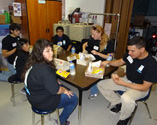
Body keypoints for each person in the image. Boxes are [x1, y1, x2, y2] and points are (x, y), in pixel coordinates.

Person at [97, 36, 157, 125]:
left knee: (127, 98)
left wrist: (123, 83)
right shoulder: (130, 55)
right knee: (101, 84)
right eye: (128, 50)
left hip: (140, 88)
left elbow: (144, 88)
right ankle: (119, 103)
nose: (129, 53)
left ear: (142, 49)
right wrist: (108, 62)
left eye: (132, 51)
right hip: (127, 81)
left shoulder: (151, 64)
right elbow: (120, 62)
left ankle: (124, 118)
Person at [22, 39, 78, 125]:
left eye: (51, 50)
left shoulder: (33, 62)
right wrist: (64, 90)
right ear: (39, 53)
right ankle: (61, 121)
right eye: (47, 51)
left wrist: (55, 81)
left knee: (63, 87)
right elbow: (55, 90)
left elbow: (42, 79)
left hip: (33, 97)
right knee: (74, 98)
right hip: (43, 102)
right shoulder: (44, 69)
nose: (51, 53)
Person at [82, 25, 115, 99]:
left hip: (104, 63)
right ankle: (94, 84)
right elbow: (84, 44)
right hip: (94, 61)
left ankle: (94, 92)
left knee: (92, 73)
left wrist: (98, 53)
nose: (92, 36)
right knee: (83, 68)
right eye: (92, 34)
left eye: (94, 34)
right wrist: (84, 50)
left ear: (100, 33)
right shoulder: (93, 40)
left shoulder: (109, 42)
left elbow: (110, 57)